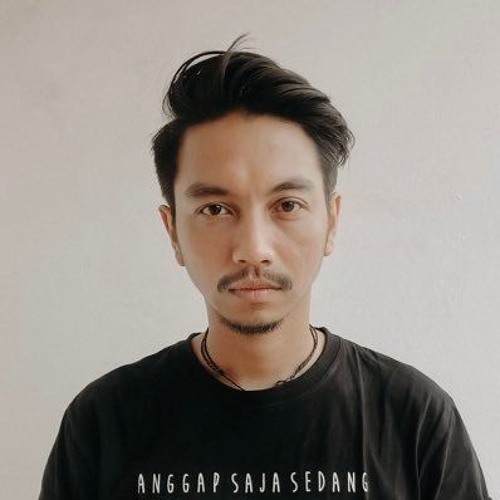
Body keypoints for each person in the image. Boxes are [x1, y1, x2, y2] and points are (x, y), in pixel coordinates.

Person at [39, 39, 490, 499]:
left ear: (331, 221)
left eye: (287, 205)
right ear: (172, 230)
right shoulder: (103, 422)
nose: (254, 249)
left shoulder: (414, 420)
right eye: (215, 209)